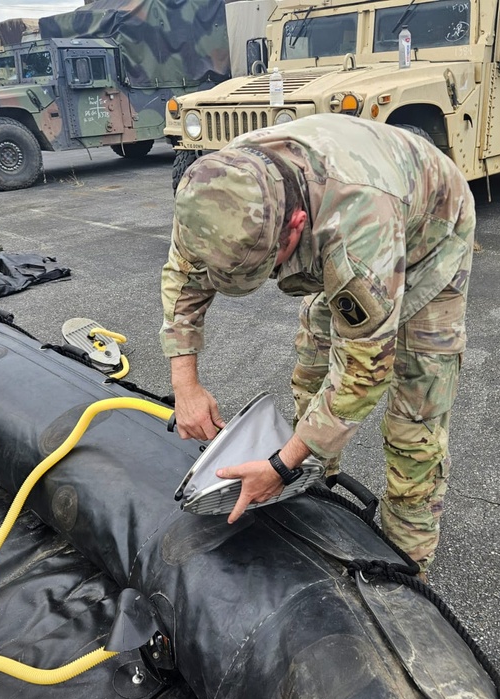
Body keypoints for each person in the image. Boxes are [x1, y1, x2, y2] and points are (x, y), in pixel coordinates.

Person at [160, 115, 475, 573]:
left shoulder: (359, 222)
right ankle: (314, 483)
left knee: (416, 416)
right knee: (313, 364)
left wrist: (280, 466)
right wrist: (185, 387)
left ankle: (408, 566)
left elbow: (365, 370)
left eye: (271, 267)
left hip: (430, 233)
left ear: (296, 225)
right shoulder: (215, 192)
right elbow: (184, 280)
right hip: (343, 227)